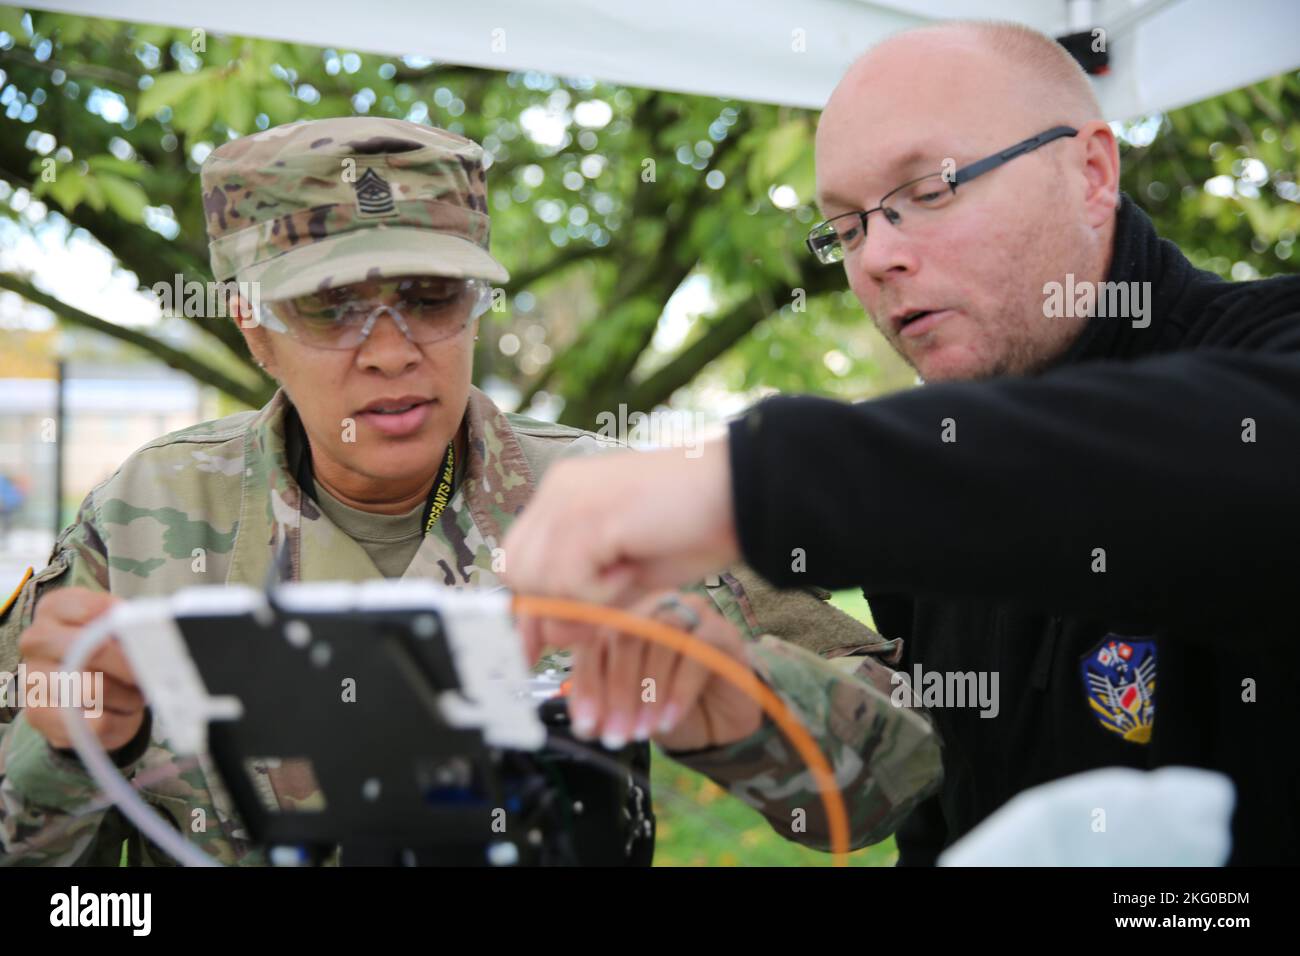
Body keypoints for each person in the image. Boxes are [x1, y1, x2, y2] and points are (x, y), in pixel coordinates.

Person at [0, 117, 940, 865]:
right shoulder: (144, 517)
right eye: (330, 307)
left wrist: (736, 702)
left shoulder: (609, 504)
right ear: (251, 327)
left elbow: (888, 790)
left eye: (430, 297)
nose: (391, 349)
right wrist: (81, 750)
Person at [500, 21, 1300, 865]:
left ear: (1092, 173)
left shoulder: (1267, 352)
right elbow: (943, 819)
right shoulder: (933, 494)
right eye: (845, 228)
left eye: (929, 188)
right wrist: (734, 704)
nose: (878, 255)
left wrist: (757, 475)